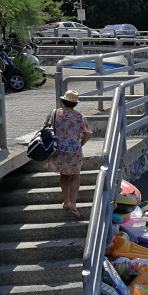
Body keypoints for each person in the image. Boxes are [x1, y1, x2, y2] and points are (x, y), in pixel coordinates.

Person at [45, 89, 91, 218]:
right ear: (75, 104)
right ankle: (73, 203)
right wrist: (80, 144)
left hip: (59, 149)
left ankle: (66, 201)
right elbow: (88, 134)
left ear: (62, 101)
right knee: (75, 176)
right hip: (74, 149)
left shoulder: (54, 113)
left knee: (64, 176)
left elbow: (45, 129)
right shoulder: (79, 116)